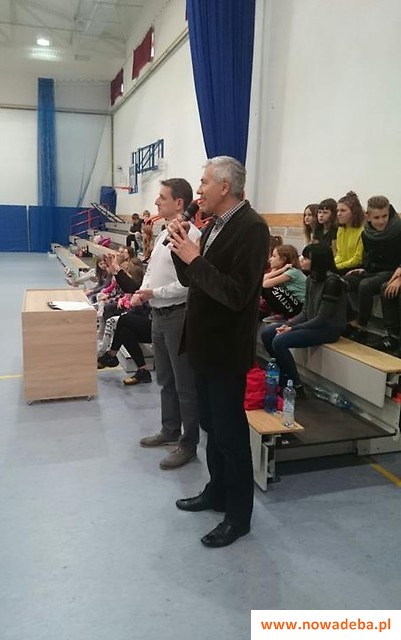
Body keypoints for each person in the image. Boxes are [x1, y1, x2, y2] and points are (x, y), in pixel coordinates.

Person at [169, 156, 269, 548]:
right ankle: (217, 492)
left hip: (226, 350)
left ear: (225, 186)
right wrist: (181, 249)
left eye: (204, 182)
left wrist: (195, 258)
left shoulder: (252, 228)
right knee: (212, 427)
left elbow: (236, 293)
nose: (198, 190)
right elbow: (193, 280)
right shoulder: (213, 226)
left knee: (231, 436)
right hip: (203, 346)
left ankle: (238, 517)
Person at [130, 178, 201, 469]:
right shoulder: (164, 234)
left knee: (185, 384)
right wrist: (142, 291)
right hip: (159, 316)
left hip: (178, 315)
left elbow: (188, 284)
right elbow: (151, 270)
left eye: (162, 197)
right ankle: (170, 429)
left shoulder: (190, 235)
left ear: (179, 203)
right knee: (166, 380)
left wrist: (154, 293)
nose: (157, 202)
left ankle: (189, 444)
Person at [261, 244, 347, 394]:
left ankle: (296, 385)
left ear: (317, 261)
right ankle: (283, 374)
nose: (301, 259)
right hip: (313, 323)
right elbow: (306, 311)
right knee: (267, 332)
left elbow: (322, 318)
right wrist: (288, 323)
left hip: (328, 328)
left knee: (279, 341)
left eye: (306, 258)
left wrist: (292, 328)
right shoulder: (311, 279)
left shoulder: (332, 283)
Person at [344, 196, 401, 343]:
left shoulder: (398, 230)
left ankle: (362, 326)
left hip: (392, 271)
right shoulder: (366, 234)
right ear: (368, 217)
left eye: (384, 216)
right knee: (345, 280)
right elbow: (369, 257)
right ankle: (348, 319)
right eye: (376, 217)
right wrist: (363, 269)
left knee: (366, 285)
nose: (381, 221)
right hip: (374, 271)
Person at [261, 244, 306, 321]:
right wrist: (278, 270)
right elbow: (262, 279)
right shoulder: (282, 270)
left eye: (274, 256)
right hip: (293, 302)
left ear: (283, 259)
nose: (270, 259)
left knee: (269, 289)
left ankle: (286, 314)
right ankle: (279, 312)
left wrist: (280, 270)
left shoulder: (292, 272)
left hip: (300, 306)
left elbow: (265, 284)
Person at [334, 191, 365, 274]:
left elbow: (357, 260)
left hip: (356, 268)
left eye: (343, 210)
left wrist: (335, 267)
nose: (338, 214)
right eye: (337, 211)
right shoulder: (341, 229)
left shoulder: (363, 231)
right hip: (343, 266)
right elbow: (340, 255)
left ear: (354, 212)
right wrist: (331, 265)